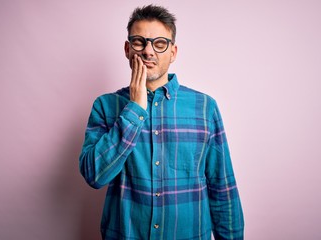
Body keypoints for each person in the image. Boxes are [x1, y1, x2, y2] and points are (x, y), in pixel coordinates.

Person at [79, 4, 244, 240]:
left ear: (173, 52)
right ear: (127, 49)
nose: (148, 51)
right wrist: (134, 110)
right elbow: (94, 176)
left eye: (159, 43)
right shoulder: (105, 106)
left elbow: (223, 189)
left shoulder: (205, 108)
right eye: (139, 42)